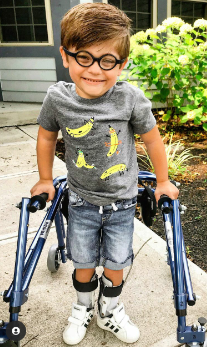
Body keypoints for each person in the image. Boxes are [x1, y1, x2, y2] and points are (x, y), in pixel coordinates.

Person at [31, 2, 179, 345]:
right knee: (82, 262)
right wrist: (43, 178)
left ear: (121, 63)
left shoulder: (130, 98)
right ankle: (82, 306)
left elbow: (152, 139)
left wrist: (162, 181)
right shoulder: (57, 98)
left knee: (116, 263)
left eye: (107, 60)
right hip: (82, 200)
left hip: (122, 203)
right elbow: (46, 136)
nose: (95, 70)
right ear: (65, 56)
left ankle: (109, 309)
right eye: (84, 57)